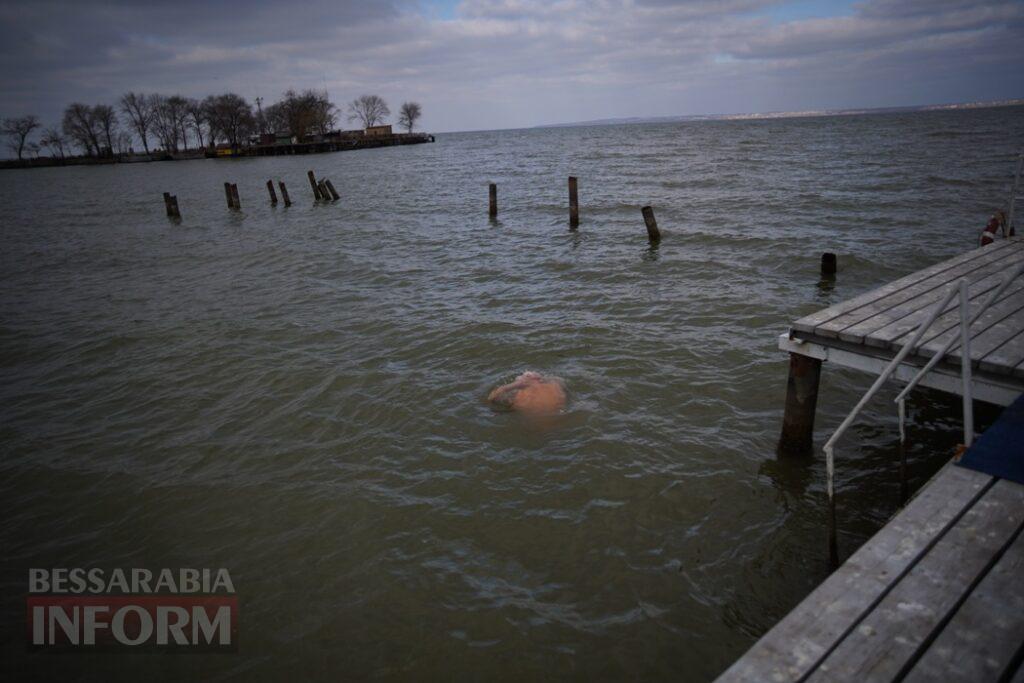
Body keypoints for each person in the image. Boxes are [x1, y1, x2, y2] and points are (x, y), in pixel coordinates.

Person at [488, 371, 566, 415]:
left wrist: (515, 384)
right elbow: (560, 380)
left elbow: (492, 398)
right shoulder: (555, 385)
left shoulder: (520, 393)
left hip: (533, 425)